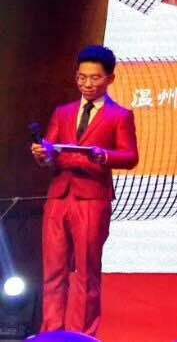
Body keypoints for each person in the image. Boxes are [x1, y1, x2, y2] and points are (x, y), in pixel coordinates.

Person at [30, 45, 139, 336]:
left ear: (110, 79)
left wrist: (104, 156)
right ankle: (51, 332)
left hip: (92, 198)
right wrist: (42, 154)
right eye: (82, 77)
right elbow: (49, 152)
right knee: (53, 271)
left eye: (94, 78)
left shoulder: (119, 116)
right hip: (59, 196)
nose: (87, 84)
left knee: (85, 273)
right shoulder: (63, 112)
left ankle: (81, 335)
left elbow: (130, 156)